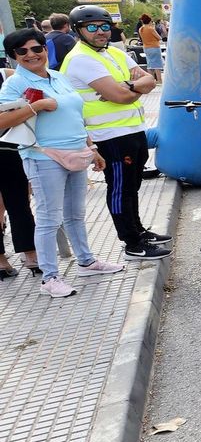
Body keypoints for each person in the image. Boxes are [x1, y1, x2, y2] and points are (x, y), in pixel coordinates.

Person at [0, 28, 126, 297]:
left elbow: (76, 116)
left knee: (75, 214)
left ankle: (86, 261)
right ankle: (50, 277)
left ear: (46, 49)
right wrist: (38, 106)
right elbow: (1, 122)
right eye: (23, 51)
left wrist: (92, 148)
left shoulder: (58, 77)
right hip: (43, 156)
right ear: (14, 56)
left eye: (37, 48)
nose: (32, 55)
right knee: (48, 218)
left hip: (77, 151)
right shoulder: (14, 84)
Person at [61, 6, 171, 260]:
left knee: (133, 185)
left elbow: (150, 80)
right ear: (78, 30)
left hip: (131, 130)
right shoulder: (81, 59)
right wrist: (131, 88)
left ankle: (139, 231)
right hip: (108, 136)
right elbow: (119, 96)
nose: (100, 32)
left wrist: (129, 85)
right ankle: (132, 243)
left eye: (104, 26)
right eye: (92, 27)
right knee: (120, 188)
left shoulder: (112, 52)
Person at [0, 59, 39, 278]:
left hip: (8, 147)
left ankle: (30, 253)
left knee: (19, 202)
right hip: (8, 147)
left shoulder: (7, 76)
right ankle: (2, 259)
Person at [138, 14, 164, 83]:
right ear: (149, 21)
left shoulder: (141, 29)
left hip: (146, 48)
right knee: (157, 64)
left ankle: (151, 80)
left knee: (150, 64)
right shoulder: (150, 29)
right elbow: (159, 38)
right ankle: (159, 80)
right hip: (154, 47)